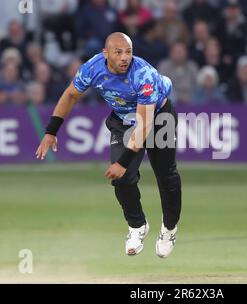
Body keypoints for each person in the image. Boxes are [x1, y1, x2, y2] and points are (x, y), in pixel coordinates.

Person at [35, 32, 182, 258]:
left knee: (166, 176)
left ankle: (169, 229)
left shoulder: (142, 74)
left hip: (158, 117)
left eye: (129, 52)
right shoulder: (93, 68)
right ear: (105, 53)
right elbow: (71, 95)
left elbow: (144, 126)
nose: (125, 58)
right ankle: (137, 226)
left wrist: (123, 162)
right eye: (118, 52)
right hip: (124, 119)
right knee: (121, 179)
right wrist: (51, 131)